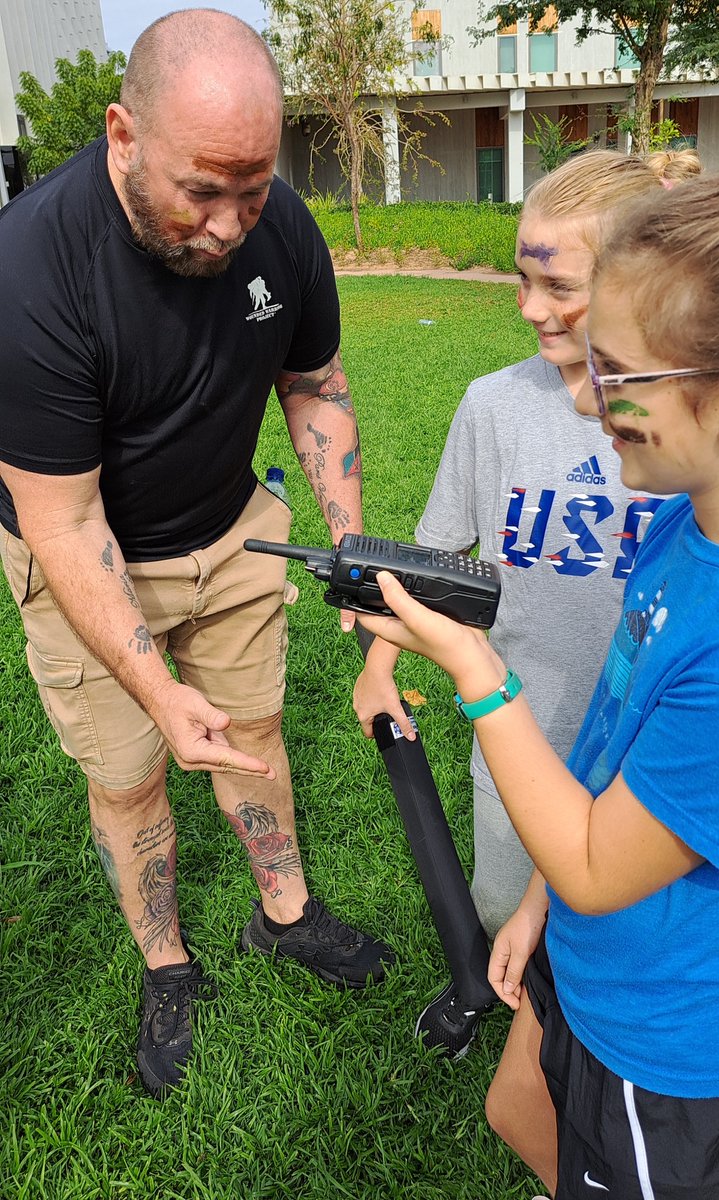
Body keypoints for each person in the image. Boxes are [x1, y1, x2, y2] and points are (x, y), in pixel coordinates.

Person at [0, 9, 393, 1100]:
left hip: (230, 532)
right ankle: (166, 964)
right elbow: (64, 524)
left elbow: (312, 384)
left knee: (254, 732)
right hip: (86, 557)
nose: (228, 226)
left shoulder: (284, 230)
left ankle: (285, 912)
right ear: (123, 135)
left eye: (253, 187)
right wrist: (154, 687)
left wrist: (352, 546)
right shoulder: (31, 268)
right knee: (130, 780)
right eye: (201, 190)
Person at [357, 171, 719, 1200]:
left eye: (614, 368)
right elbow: (606, 748)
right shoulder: (682, 522)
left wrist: (479, 674)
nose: (583, 393)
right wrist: (538, 902)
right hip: (588, 938)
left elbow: (597, 863)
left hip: (664, 1034)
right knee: (513, 1107)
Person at [354, 150, 666, 1057]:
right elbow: (436, 557)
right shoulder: (491, 407)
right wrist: (381, 665)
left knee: (622, 931)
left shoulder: (677, 422)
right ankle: (518, 1012)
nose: (529, 307)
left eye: (556, 285)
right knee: (509, 905)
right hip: (513, 729)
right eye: (522, 279)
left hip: (642, 755)